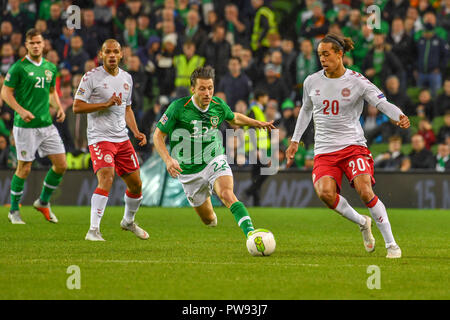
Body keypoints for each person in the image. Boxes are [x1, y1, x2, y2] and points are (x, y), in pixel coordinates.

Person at [286, 33, 410, 259]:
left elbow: (380, 102)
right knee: (325, 193)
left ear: (340, 54)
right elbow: (305, 110)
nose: (322, 59)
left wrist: (399, 115)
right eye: (319, 55)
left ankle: (391, 244)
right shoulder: (311, 81)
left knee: (364, 191)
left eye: (326, 54)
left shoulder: (357, 81)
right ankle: (362, 222)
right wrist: (295, 140)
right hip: (324, 150)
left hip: (353, 146)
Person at [153, 66, 275, 243]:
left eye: (210, 88)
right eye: (202, 88)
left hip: (214, 159)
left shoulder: (217, 105)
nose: (207, 93)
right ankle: (208, 199)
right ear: (193, 89)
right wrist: (168, 159)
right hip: (189, 171)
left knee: (226, 193)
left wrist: (257, 123)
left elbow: (234, 118)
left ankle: (251, 233)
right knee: (208, 219)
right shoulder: (178, 108)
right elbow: (158, 135)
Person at [73, 39, 148, 241]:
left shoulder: (127, 79)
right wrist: (104, 104)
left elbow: (127, 108)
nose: (112, 55)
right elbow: (77, 107)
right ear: (101, 55)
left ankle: (128, 221)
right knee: (107, 177)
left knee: (136, 185)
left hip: (122, 138)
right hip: (99, 138)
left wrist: (136, 131)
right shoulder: (90, 77)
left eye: (116, 52)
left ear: (121, 55)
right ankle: (93, 230)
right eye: (108, 52)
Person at [1, 28, 67, 224]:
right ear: (26, 46)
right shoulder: (18, 67)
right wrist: (20, 111)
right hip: (25, 126)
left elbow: (51, 91)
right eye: (32, 43)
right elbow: (5, 93)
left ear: (43, 44)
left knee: (61, 165)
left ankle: (43, 202)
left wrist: (59, 107)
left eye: (39, 42)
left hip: (46, 125)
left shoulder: (49, 67)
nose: (36, 46)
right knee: (24, 168)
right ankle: (13, 210)